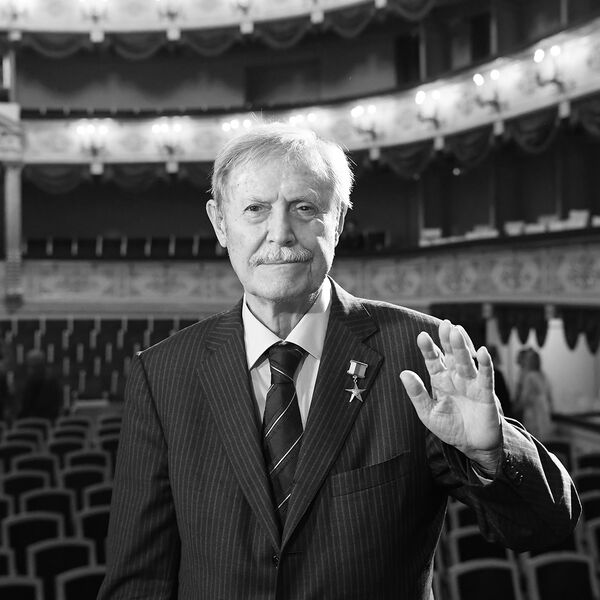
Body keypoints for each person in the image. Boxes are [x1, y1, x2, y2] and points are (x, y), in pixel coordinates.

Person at [98, 124, 580, 600]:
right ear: (220, 223)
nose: (280, 234)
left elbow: (545, 527)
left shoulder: (420, 354)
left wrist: (492, 454)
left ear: (340, 220)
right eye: (255, 209)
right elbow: (138, 582)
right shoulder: (162, 375)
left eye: (304, 208)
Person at [517, 349, 554, 440]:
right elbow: (549, 396)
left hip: (533, 414)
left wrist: (517, 406)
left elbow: (524, 399)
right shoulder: (543, 376)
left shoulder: (529, 377)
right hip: (544, 413)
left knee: (533, 440)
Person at [18, 349, 62, 421]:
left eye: (30, 365)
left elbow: (26, 404)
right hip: (51, 420)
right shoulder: (53, 379)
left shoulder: (32, 381)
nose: (28, 368)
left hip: (33, 421)